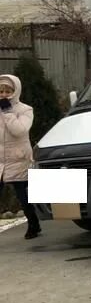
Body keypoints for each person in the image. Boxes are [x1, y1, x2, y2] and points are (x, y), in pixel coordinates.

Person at [0, 74, 41, 239]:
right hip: (1, 160)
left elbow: (20, 131)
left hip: (18, 158)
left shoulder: (25, 109)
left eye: (7, 91)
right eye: (0, 91)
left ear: (15, 91)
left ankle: (34, 224)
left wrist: (7, 111)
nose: (3, 94)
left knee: (23, 196)